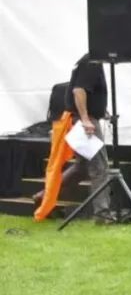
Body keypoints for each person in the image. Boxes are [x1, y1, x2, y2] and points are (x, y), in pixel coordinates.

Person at [34, 54, 113, 223]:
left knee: (82, 167)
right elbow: (79, 90)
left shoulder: (86, 62)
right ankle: (102, 214)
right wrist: (85, 119)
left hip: (78, 119)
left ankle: (44, 196)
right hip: (84, 121)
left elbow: (84, 91)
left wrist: (100, 109)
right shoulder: (92, 62)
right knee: (100, 168)